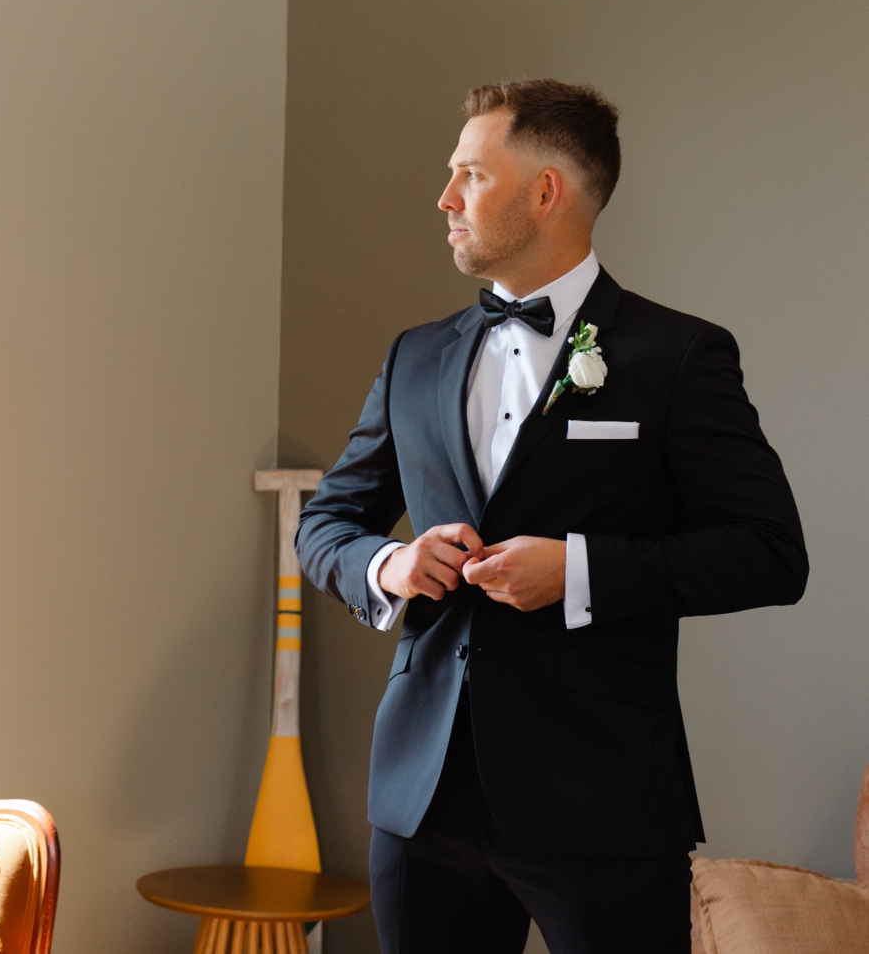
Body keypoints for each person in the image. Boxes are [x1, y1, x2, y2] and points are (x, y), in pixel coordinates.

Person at [295, 79, 808, 953]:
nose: (445, 198)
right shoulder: (413, 357)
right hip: (422, 803)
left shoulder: (678, 355)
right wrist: (390, 564)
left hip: (603, 803)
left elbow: (770, 553)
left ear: (545, 192)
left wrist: (578, 570)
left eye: (470, 175)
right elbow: (328, 523)